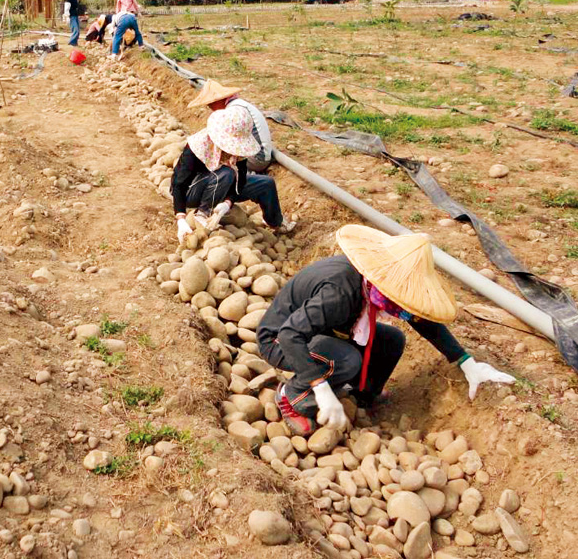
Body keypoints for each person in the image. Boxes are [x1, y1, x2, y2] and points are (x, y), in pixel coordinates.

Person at [257, 225, 515, 436]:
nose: (401, 305)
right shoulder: (339, 293)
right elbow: (291, 334)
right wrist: (321, 390)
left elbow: (420, 320)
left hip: (326, 330)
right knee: (347, 360)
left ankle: (360, 396)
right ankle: (292, 396)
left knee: (392, 340)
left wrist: (466, 362)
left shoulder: (371, 283)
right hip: (281, 340)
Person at [172, 108, 296, 242]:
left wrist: (227, 202)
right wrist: (181, 219)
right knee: (227, 172)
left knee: (266, 184)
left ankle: (275, 222)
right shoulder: (197, 146)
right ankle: (203, 213)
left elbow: (240, 179)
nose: (236, 152)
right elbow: (179, 184)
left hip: (225, 184)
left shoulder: (239, 152)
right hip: (193, 192)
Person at [189, 79, 274, 172]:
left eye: (210, 103)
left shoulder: (235, 111)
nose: (209, 107)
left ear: (219, 99)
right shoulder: (238, 105)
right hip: (259, 154)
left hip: (257, 158)